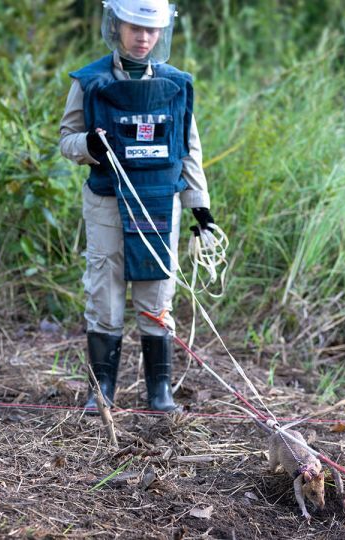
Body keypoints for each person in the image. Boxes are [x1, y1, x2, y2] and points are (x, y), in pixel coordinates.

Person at [59, 0, 215, 412]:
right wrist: (88, 146)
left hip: (161, 201)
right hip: (107, 200)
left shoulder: (176, 85)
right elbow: (66, 139)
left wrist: (200, 209)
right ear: (116, 25)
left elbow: (189, 148)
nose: (143, 38)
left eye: (152, 30)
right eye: (135, 28)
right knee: (104, 291)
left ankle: (159, 392)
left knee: (157, 293)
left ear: (162, 32)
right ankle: (102, 390)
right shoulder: (90, 81)